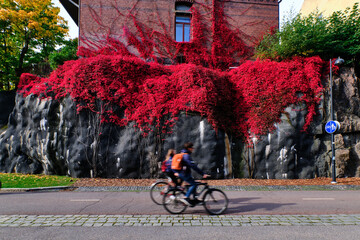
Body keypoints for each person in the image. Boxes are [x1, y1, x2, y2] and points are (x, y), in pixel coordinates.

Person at [173, 142, 210, 206]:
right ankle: (186, 197)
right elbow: (193, 166)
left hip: (184, 173)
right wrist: (202, 173)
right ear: (189, 148)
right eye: (192, 148)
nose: (193, 149)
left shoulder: (184, 154)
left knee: (194, 183)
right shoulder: (186, 156)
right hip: (184, 174)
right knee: (194, 184)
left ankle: (195, 199)